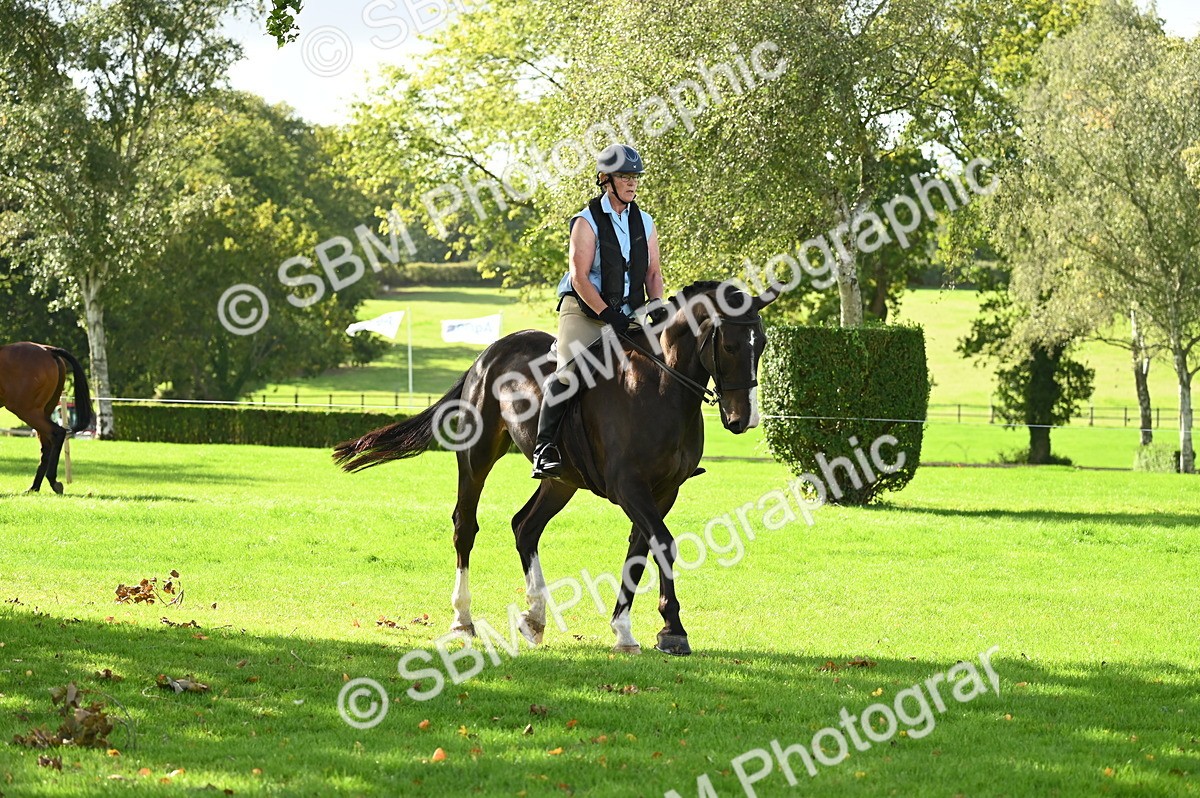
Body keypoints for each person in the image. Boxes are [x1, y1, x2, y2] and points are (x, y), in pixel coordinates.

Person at [530, 143, 669, 479]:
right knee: (569, 372)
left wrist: (658, 307)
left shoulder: (645, 221)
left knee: (663, 366)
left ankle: (666, 452)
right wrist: (608, 314)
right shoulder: (586, 221)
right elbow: (579, 277)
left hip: (630, 314)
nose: (632, 183)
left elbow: (652, 272)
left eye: (635, 177)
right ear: (606, 180)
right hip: (585, 310)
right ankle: (544, 447)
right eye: (625, 176)